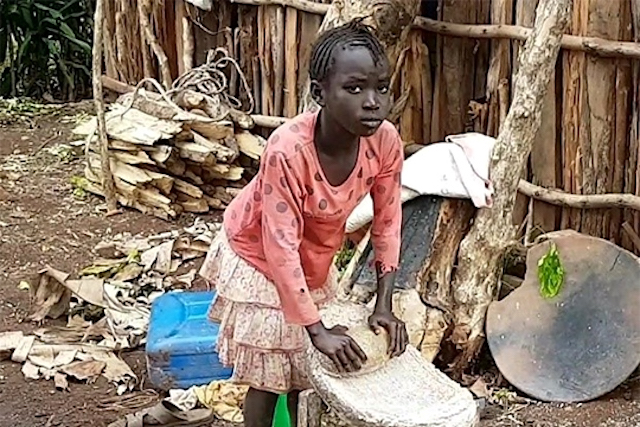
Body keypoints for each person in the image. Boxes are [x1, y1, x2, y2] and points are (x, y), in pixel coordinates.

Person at [199, 20, 408, 427]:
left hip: (313, 250)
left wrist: (384, 305)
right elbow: (279, 247)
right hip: (258, 251)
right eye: (354, 88)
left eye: (381, 88)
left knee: (301, 372)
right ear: (319, 94)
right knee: (271, 375)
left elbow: (387, 221)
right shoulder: (288, 151)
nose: (372, 102)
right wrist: (317, 330)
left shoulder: (384, 142)